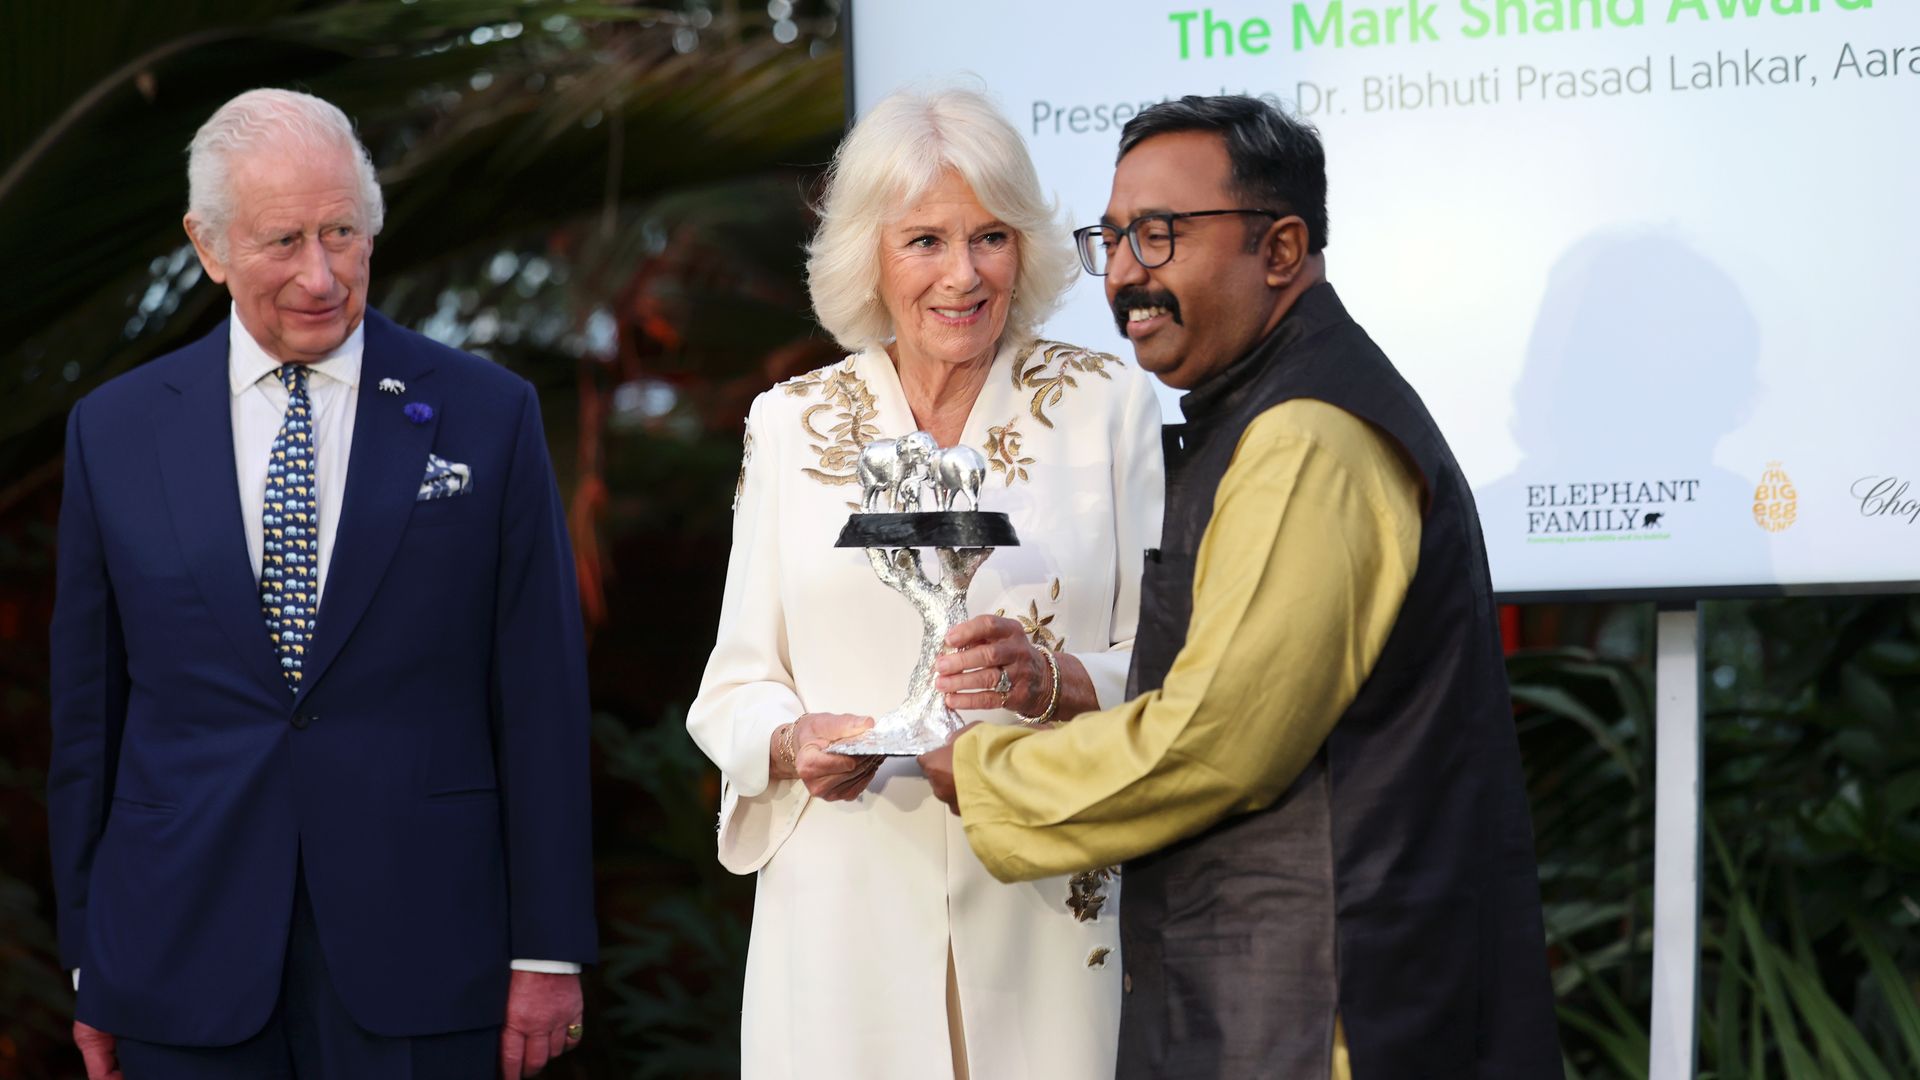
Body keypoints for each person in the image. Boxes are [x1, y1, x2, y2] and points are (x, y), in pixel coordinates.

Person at [921, 95, 1563, 1078]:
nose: (1127, 271)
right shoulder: (1260, 410)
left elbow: (1222, 739)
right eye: (1114, 238)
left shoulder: (1309, 432)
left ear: (1281, 249)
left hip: (1330, 1009)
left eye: (1161, 234)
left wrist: (989, 773)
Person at [47, 88, 596, 1079]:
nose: (320, 274)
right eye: (283, 240)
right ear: (207, 246)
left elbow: (541, 697)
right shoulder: (113, 432)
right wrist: (93, 958)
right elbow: (88, 719)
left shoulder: (487, 414)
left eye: (342, 232)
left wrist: (548, 946)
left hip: (430, 956)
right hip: (178, 956)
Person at [686, 87, 1163, 1079]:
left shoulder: (1107, 405)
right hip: (839, 912)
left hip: (1045, 901)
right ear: (870, 254)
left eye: (990, 237)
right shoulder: (790, 420)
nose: (963, 274)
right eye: (925, 242)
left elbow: (1172, 664)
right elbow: (734, 684)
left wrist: (1050, 679)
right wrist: (789, 740)